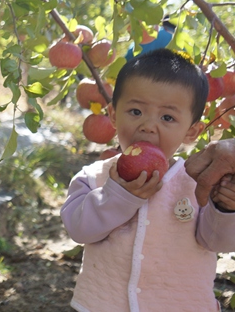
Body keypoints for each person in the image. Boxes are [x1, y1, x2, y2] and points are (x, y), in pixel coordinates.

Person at [61, 48, 235, 311]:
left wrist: (225, 209)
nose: (148, 126)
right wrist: (118, 196)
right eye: (135, 111)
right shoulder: (93, 177)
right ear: (112, 115)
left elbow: (216, 242)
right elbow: (79, 230)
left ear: (192, 131)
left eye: (167, 117)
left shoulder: (198, 181)